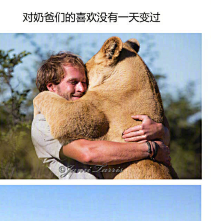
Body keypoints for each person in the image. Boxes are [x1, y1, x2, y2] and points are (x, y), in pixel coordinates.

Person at [31, 50, 171, 181]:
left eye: (84, 82)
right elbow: (88, 153)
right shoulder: (42, 122)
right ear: (51, 87)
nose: (82, 89)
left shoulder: (87, 108)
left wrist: (160, 130)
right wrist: (151, 149)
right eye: (73, 82)